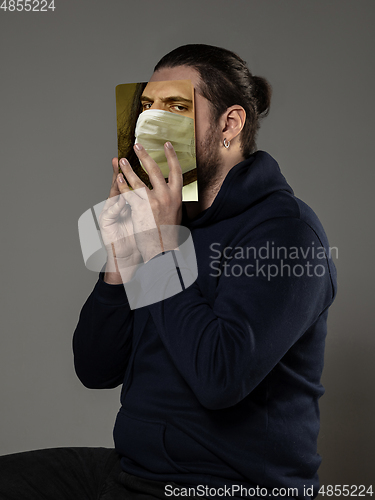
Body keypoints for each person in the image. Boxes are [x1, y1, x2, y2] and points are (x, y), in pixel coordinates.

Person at [0, 44, 337, 500]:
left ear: (229, 125)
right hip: (133, 470)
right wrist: (120, 262)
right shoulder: (171, 219)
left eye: (177, 107)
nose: (152, 123)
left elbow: (220, 377)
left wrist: (160, 248)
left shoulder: (289, 234)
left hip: (227, 485)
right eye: (146, 107)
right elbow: (95, 368)